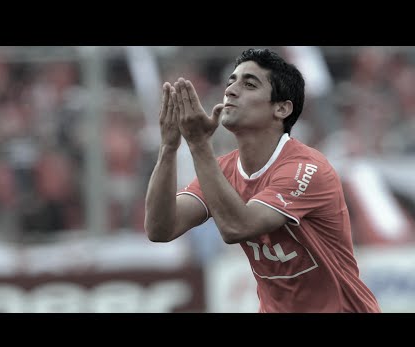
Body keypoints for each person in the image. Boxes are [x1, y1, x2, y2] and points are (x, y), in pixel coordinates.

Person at [144, 48, 381, 313]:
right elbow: (160, 229)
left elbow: (239, 227)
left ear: (281, 108)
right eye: (231, 82)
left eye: (249, 84)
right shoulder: (223, 170)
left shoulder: (307, 169)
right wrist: (168, 148)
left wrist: (199, 144)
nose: (231, 91)